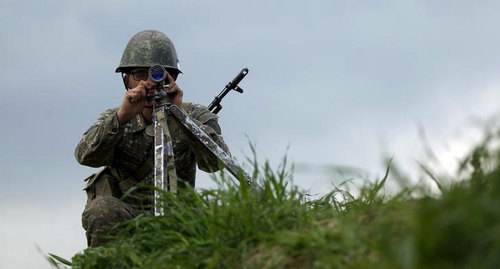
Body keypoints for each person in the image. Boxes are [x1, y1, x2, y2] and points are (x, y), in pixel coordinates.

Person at [75, 30, 229, 248]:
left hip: (179, 216)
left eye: (157, 75)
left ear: (172, 78)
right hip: (127, 216)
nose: (148, 83)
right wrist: (123, 116)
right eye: (139, 75)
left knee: (217, 215)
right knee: (101, 209)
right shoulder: (116, 118)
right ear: (126, 80)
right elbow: (84, 155)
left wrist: (181, 117)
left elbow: (217, 163)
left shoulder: (195, 115)